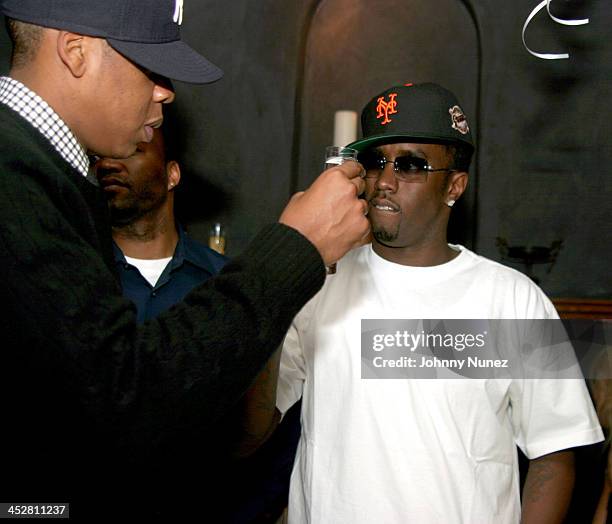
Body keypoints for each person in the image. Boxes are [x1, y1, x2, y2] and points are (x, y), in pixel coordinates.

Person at [0, 0, 369, 518]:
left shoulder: (44, 175)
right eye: (149, 67)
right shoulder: (15, 176)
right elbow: (124, 399)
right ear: (76, 52)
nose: (164, 91)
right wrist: (296, 247)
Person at [245, 83, 604, 523]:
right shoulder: (318, 280)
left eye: (411, 165)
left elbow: (555, 455)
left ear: (454, 185)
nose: (385, 181)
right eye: (376, 162)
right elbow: (249, 434)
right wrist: (276, 293)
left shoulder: (514, 298)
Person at [94, 126, 227, 321]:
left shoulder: (221, 280)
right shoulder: (77, 272)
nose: (107, 164)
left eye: (131, 151)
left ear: (171, 175)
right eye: (98, 156)